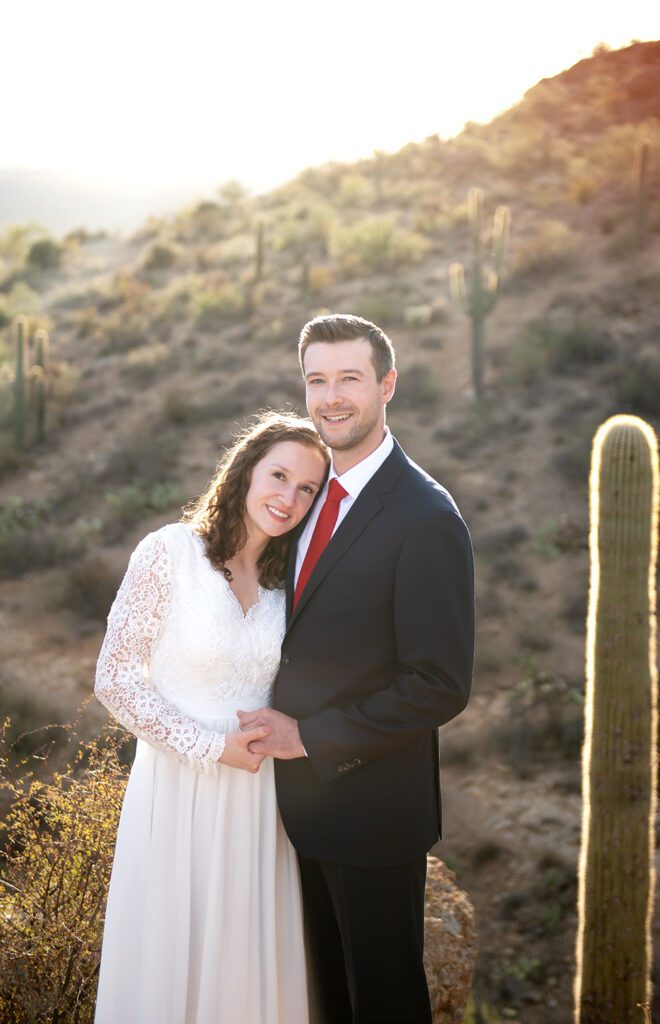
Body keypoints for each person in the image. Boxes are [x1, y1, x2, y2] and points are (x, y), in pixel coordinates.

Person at [238, 314, 475, 1024]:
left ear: (386, 386)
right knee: (325, 1005)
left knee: (384, 1004)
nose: (331, 397)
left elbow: (439, 684)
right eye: (317, 379)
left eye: (350, 379)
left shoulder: (425, 516)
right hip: (294, 814)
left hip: (372, 815)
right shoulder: (306, 498)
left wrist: (307, 736)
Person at [93, 411, 329, 1024]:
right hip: (176, 789)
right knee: (172, 953)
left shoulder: (289, 582)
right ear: (245, 472)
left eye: (307, 488)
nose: (289, 497)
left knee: (244, 962)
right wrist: (209, 748)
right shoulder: (168, 552)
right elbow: (114, 677)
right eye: (279, 475)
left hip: (258, 803)